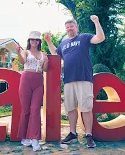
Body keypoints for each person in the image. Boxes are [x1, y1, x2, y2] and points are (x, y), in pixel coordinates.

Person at [44, 15, 105, 148]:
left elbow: (100, 38)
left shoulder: (84, 37)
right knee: (70, 108)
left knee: (86, 108)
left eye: (72, 26)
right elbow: (55, 53)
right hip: (68, 80)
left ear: (76, 27)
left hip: (84, 77)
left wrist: (96, 22)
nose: (70, 29)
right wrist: (49, 42)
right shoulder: (64, 43)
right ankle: (72, 133)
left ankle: (89, 135)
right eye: (67, 27)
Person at [16, 31, 49, 152]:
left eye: (36, 40)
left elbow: (45, 69)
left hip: (38, 81)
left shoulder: (43, 53)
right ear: (29, 41)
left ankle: (35, 139)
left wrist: (45, 61)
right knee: (25, 110)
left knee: (35, 109)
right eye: (32, 39)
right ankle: (24, 137)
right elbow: (22, 61)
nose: (34, 42)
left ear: (39, 41)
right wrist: (18, 52)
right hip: (26, 79)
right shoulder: (25, 52)